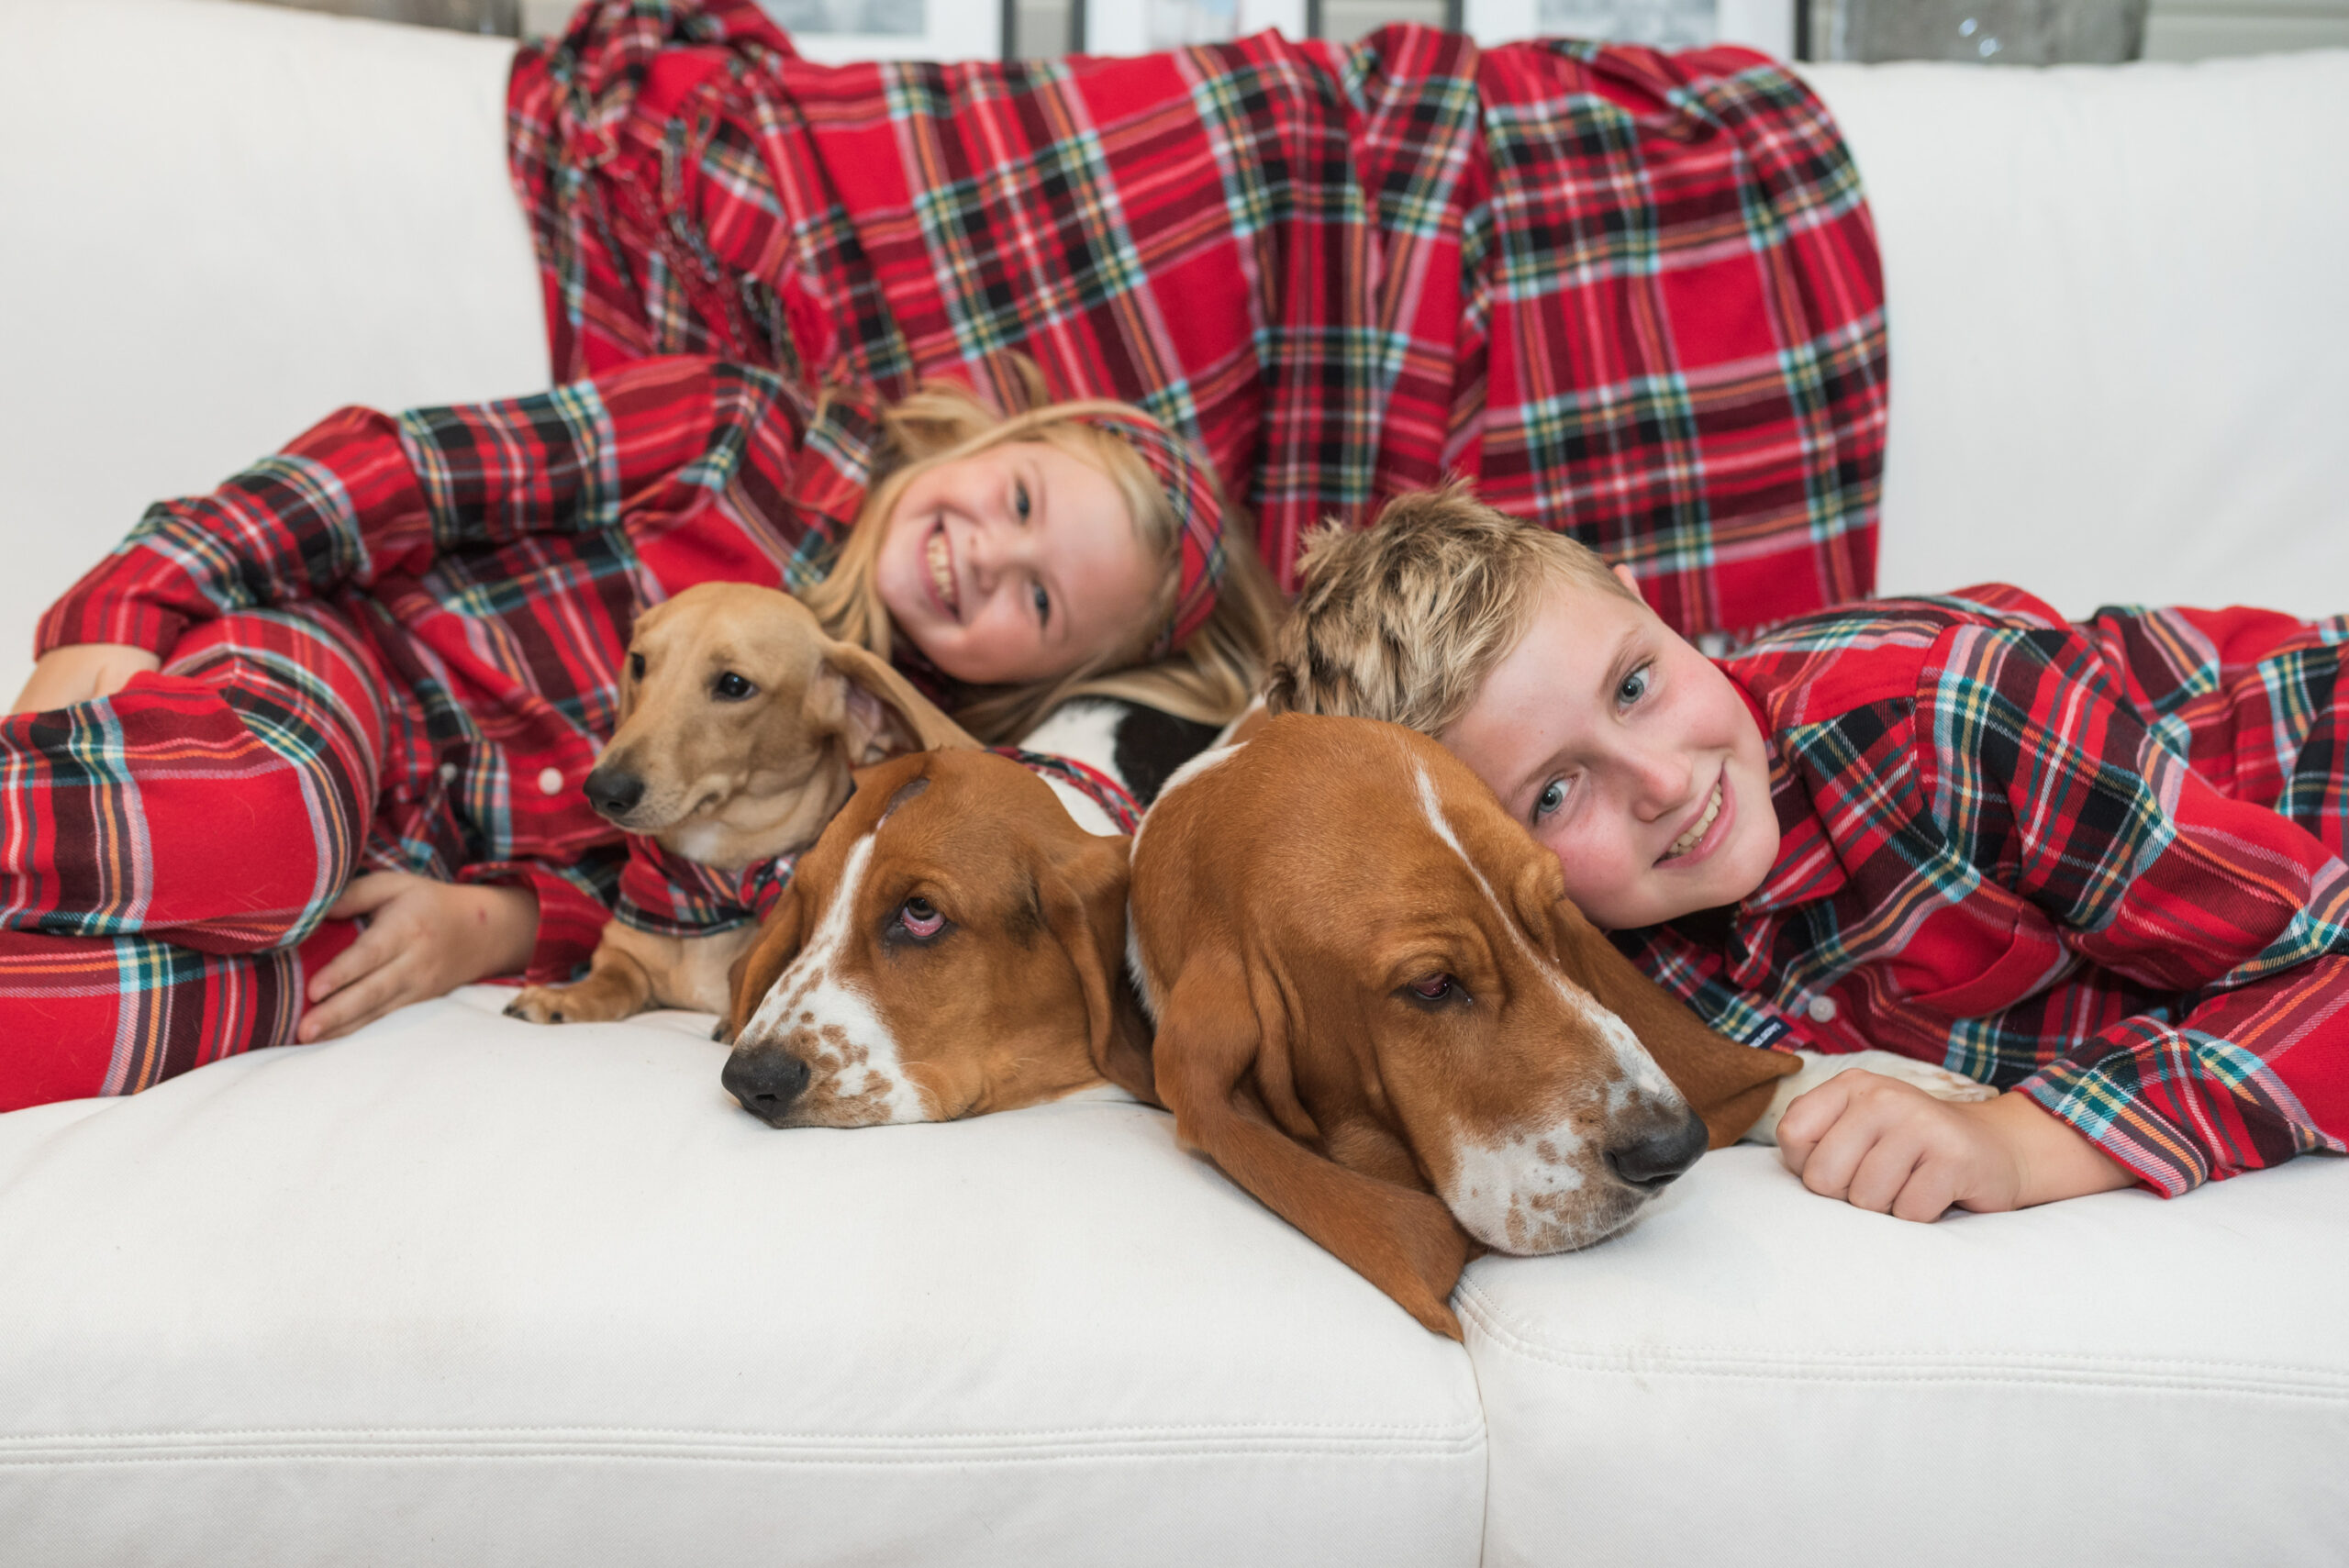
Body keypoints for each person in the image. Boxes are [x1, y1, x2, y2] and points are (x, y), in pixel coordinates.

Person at [0, 355, 1278, 1110]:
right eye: (1018, 498)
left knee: (226, 1001)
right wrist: (138, 596)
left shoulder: (867, 787)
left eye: (1040, 599)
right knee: (262, 824)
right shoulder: (744, 436)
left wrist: (495, 925)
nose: (985, 553)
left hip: (401, 880)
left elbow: (651, 897)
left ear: (1042, 677)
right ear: (1007, 440)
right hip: (349, 686)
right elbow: (403, 468)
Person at [1264, 487, 2349, 1221]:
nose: (1664, 781)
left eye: (1634, 684)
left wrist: (2026, 1146)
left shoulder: (1939, 718)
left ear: (1651, 603)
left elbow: (2328, 963)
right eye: (1554, 792)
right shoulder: (1580, 953)